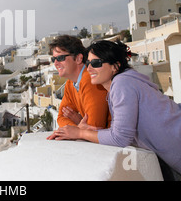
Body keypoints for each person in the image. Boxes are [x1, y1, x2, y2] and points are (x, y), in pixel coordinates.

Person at [50, 39, 181, 179]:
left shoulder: (122, 84)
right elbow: (121, 130)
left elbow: (120, 138)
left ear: (115, 66)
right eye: (88, 63)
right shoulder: (121, 84)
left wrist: (80, 133)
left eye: (96, 63)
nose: (89, 69)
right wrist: (93, 131)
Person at [47, 35, 110, 130]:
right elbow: (61, 117)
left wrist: (77, 126)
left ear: (78, 59)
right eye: (53, 59)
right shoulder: (70, 84)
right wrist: (78, 126)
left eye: (60, 58)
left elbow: (94, 127)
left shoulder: (91, 81)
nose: (55, 63)